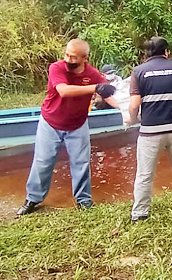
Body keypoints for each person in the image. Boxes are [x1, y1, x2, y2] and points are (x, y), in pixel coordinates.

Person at [17, 39, 117, 216]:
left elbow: (107, 95)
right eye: (67, 55)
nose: (68, 59)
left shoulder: (92, 74)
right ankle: (32, 199)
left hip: (77, 125)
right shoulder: (57, 68)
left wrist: (127, 108)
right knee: (43, 162)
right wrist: (95, 87)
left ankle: (84, 201)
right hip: (50, 122)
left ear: (84, 58)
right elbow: (63, 90)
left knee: (81, 163)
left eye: (73, 57)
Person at [125, 37, 172, 222]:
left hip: (151, 131)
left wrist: (131, 119)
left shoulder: (138, 72)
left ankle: (140, 213)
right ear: (166, 52)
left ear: (146, 54)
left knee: (145, 173)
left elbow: (134, 105)